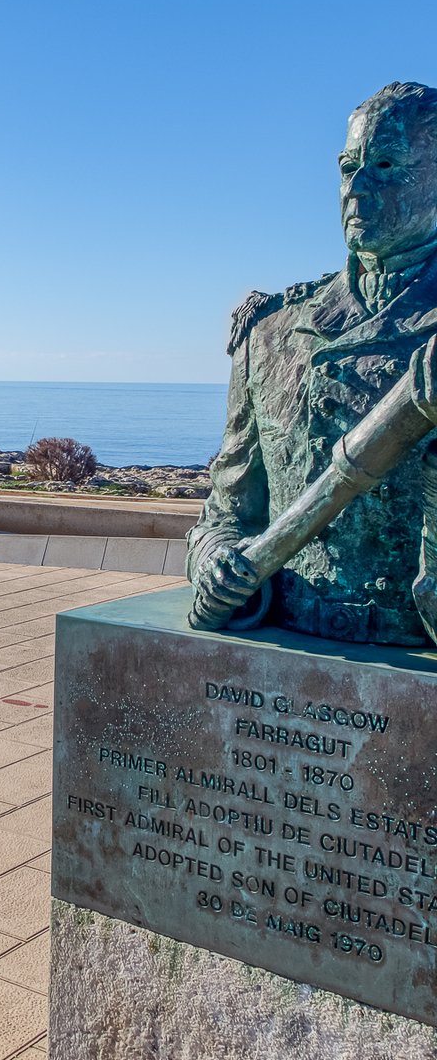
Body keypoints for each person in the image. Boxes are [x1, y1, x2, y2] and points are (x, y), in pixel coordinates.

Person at [188, 82, 437, 645]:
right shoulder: (272, 330)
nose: (357, 189)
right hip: (284, 641)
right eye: (349, 167)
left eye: (387, 164)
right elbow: (228, 508)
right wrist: (217, 563)